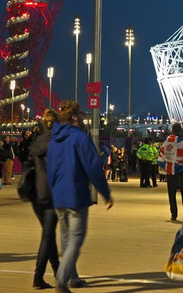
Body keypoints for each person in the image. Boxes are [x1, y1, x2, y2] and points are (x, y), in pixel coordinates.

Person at [47, 101, 114, 293]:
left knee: (66, 238)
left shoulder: (54, 140)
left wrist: (54, 191)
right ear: (75, 118)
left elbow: (50, 170)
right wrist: (105, 193)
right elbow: (93, 168)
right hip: (76, 195)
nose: (84, 119)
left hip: (59, 196)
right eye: (82, 116)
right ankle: (62, 279)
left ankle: (72, 277)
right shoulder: (80, 138)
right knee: (76, 238)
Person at [28, 109, 61, 289]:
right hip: (50, 194)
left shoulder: (38, 140)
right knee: (47, 236)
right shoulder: (56, 143)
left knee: (49, 234)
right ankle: (38, 276)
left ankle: (58, 271)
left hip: (36, 193)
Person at [159, 123, 183, 221]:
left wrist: (166, 166)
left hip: (170, 172)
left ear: (172, 130)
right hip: (182, 172)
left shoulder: (166, 142)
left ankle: (174, 215)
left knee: (171, 195)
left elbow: (161, 157)